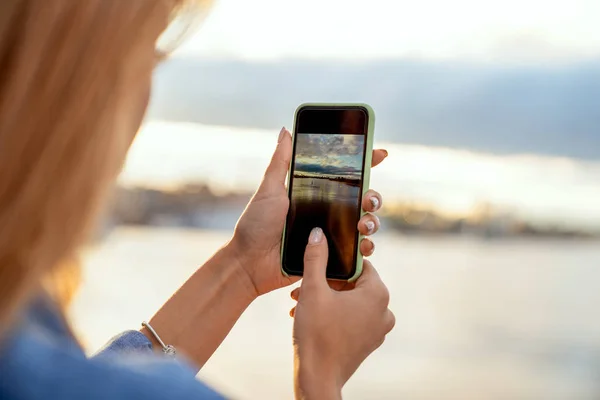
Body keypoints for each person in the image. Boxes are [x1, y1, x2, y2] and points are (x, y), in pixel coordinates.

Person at [0, 1, 395, 399]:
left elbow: (77, 383)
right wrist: (321, 375)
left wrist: (242, 265)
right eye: (149, 59)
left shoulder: (23, 326)